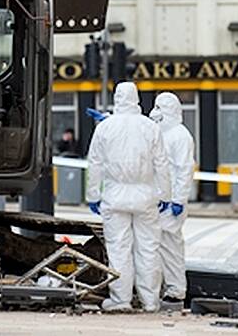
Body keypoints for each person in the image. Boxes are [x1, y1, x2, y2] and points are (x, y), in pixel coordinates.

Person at [87, 82, 171, 312]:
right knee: (148, 248)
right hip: (145, 195)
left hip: (114, 196)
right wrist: (165, 193)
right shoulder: (150, 127)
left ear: (116, 98)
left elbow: (94, 163)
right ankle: (151, 301)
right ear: (137, 98)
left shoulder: (105, 127)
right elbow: (162, 163)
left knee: (118, 249)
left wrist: (93, 194)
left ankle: (121, 300)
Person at [149, 92, 195, 307]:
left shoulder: (180, 135)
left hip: (172, 203)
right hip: (159, 200)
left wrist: (178, 199)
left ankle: (176, 289)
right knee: (155, 246)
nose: (155, 112)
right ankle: (159, 288)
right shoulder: (160, 134)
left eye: (160, 108)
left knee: (170, 246)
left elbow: (184, 169)